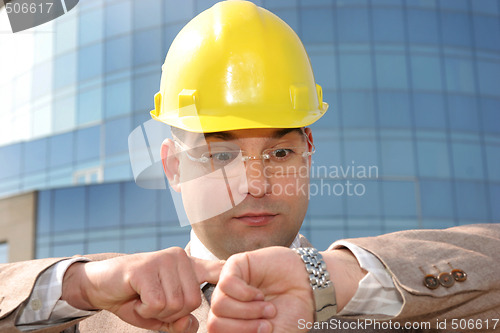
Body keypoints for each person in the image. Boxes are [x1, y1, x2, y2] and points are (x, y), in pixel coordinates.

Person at [1, 1, 499, 333]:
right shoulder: (96, 319)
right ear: (173, 168)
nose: (256, 185)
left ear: (308, 154)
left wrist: (324, 279)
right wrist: (81, 285)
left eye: (279, 153)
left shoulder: (383, 304)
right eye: (220, 157)